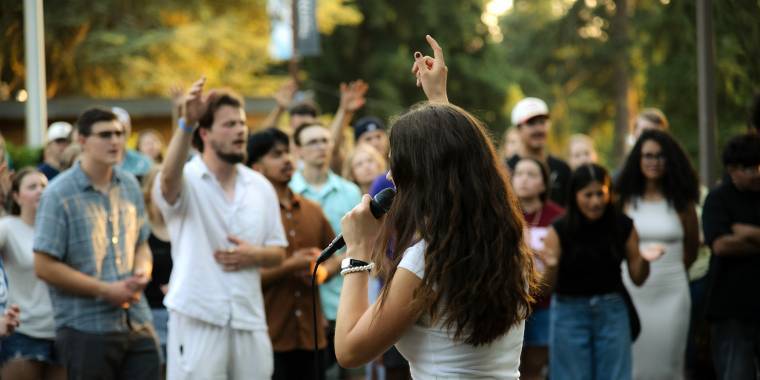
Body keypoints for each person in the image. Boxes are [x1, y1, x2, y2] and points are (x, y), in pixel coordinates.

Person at [333, 35, 537, 379]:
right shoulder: (504, 239)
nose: (389, 175)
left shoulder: (425, 263)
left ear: (422, 177)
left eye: (396, 164)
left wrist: (357, 253)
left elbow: (350, 350)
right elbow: (460, 157)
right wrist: (439, 100)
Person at [153, 81, 287, 379]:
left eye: (242, 123)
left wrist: (255, 255)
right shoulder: (185, 178)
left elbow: (278, 253)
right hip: (198, 314)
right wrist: (185, 122)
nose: (241, 130)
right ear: (205, 133)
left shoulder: (260, 186)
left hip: (249, 316)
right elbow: (166, 184)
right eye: (229, 124)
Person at [33, 107, 160, 379]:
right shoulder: (58, 193)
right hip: (85, 327)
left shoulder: (129, 184)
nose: (115, 141)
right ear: (81, 140)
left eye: (119, 134)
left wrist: (142, 272)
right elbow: (43, 265)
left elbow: (142, 243)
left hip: (137, 320)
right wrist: (105, 290)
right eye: (105, 135)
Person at [541, 163, 655, 380]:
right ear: (574, 195)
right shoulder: (558, 229)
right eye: (588, 195)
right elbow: (546, 290)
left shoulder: (623, 225)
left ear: (609, 193)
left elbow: (638, 278)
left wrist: (646, 260)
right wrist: (552, 266)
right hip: (569, 312)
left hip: (611, 309)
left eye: (600, 194)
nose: (595, 202)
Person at [247, 127, 340, 380]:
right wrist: (290, 265)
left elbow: (339, 256)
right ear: (257, 168)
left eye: (288, 152)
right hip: (268, 337)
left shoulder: (312, 209)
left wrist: (322, 272)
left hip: (312, 335)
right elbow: (245, 277)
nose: (287, 159)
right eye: (276, 155)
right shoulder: (248, 213)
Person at [615, 129, 700, 379]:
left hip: (672, 292)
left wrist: (670, 271)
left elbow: (692, 250)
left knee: (669, 365)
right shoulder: (623, 199)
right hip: (631, 291)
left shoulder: (682, 203)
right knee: (633, 366)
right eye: (648, 156)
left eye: (661, 156)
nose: (654, 162)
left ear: (670, 160)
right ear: (638, 160)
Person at [289, 120, 362, 377]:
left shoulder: (350, 192)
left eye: (324, 140)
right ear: (297, 150)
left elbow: (361, 245)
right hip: (301, 308)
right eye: (312, 142)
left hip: (346, 300)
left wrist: (331, 267)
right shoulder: (287, 192)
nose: (321, 147)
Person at [701, 133, 760, 379]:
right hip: (731, 306)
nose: (757, 173)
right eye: (750, 168)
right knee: (736, 372)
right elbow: (721, 246)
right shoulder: (718, 199)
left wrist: (746, 232)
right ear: (732, 169)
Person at [0, 169, 65, 380]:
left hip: (62, 332)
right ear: (17, 196)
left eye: (44, 186)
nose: (40, 191)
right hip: (23, 331)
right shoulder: (8, 227)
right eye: (32, 187)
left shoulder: (61, 227)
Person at [510, 157, 565, 380]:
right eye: (519, 173)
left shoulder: (558, 217)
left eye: (531, 174)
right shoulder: (501, 212)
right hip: (509, 303)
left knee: (534, 368)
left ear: (544, 184)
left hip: (545, 304)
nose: (523, 179)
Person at [506, 98, 572, 207]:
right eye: (531, 123)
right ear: (518, 129)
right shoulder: (505, 169)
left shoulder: (562, 169)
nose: (539, 129)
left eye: (542, 122)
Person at [140, 168, 172, 363]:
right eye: (159, 186)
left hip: (179, 314)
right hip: (149, 313)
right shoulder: (140, 227)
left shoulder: (182, 226)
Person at [111, 106, 154, 180]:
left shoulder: (143, 161)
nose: (117, 136)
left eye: (123, 130)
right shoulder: (95, 161)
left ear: (129, 129)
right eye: (110, 132)